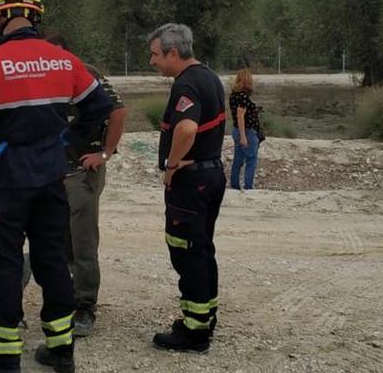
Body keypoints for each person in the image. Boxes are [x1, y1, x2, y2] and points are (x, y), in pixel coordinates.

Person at [0, 0, 112, 372]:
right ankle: (61, 349)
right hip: (53, 179)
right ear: (35, 15)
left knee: (4, 264)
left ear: (1, 16)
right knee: (52, 259)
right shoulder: (64, 60)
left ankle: (5, 358)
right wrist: (64, 142)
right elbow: (100, 108)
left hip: (6, 184)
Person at [147, 23, 225, 353]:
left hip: (191, 184)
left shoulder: (187, 85)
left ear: (173, 53)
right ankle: (205, 316)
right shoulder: (208, 76)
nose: (151, 61)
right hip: (211, 176)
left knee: (186, 251)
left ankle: (194, 333)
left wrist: (172, 164)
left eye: (155, 55)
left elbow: (187, 129)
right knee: (202, 248)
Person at [46, 33, 128, 338]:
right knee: (61, 236)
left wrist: (105, 153)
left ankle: (85, 305)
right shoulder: (45, 79)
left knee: (82, 239)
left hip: (82, 171)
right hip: (54, 172)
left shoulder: (87, 75)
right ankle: (69, 293)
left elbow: (117, 112)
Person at [229, 68, 261, 190]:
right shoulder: (243, 96)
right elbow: (240, 115)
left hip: (237, 130)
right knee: (251, 160)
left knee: (238, 160)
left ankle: (234, 185)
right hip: (246, 131)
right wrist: (243, 137)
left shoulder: (233, 95)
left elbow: (240, 113)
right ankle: (248, 186)